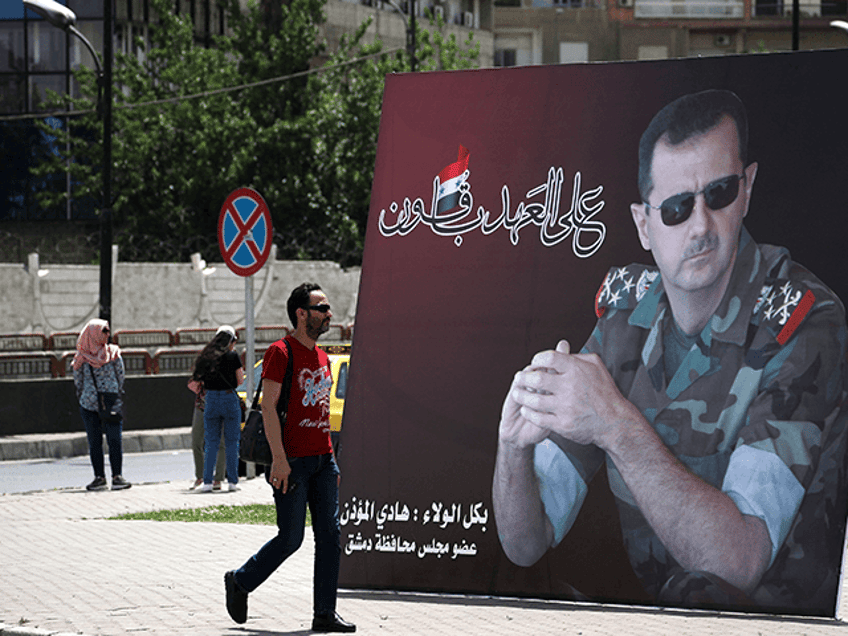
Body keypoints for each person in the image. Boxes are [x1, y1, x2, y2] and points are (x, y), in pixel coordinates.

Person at [492, 89, 848, 612]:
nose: (701, 226)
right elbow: (526, 542)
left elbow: (738, 564)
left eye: (720, 193)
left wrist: (615, 424)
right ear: (643, 224)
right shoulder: (623, 323)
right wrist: (512, 449)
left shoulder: (804, 322)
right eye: (678, 208)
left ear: (747, 190)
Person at [224, 283, 355, 633]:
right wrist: (279, 460)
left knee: (330, 535)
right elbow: (268, 407)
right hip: (292, 461)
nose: (329, 314)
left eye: (327, 308)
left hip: (322, 460)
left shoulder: (324, 357)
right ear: (301, 313)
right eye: (321, 308)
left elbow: (322, 411)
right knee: (291, 538)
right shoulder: (281, 352)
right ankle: (240, 581)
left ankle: (324, 613)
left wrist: (331, 460)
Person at [72, 318, 132, 491]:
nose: (107, 335)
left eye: (107, 331)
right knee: (95, 441)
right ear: (92, 334)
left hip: (107, 403)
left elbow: (121, 376)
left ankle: (117, 476)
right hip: (91, 405)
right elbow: (79, 380)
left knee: (115, 440)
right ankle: (99, 477)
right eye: (103, 331)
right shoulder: (81, 357)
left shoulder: (113, 353)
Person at [191, 325, 244, 493]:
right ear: (230, 341)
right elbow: (240, 380)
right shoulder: (232, 356)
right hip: (228, 398)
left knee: (211, 442)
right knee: (231, 441)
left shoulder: (206, 357)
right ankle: (232, 482)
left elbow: (198, 378)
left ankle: (207, 482)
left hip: (211, 399)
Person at [187, 378, 226, 490]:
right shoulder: (202, 364)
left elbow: (238, 380)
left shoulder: (225, 363)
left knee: (221, 443)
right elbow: (191, 383)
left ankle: (218, 479)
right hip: (202, 406)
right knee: (196, 441)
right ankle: (201, 477)